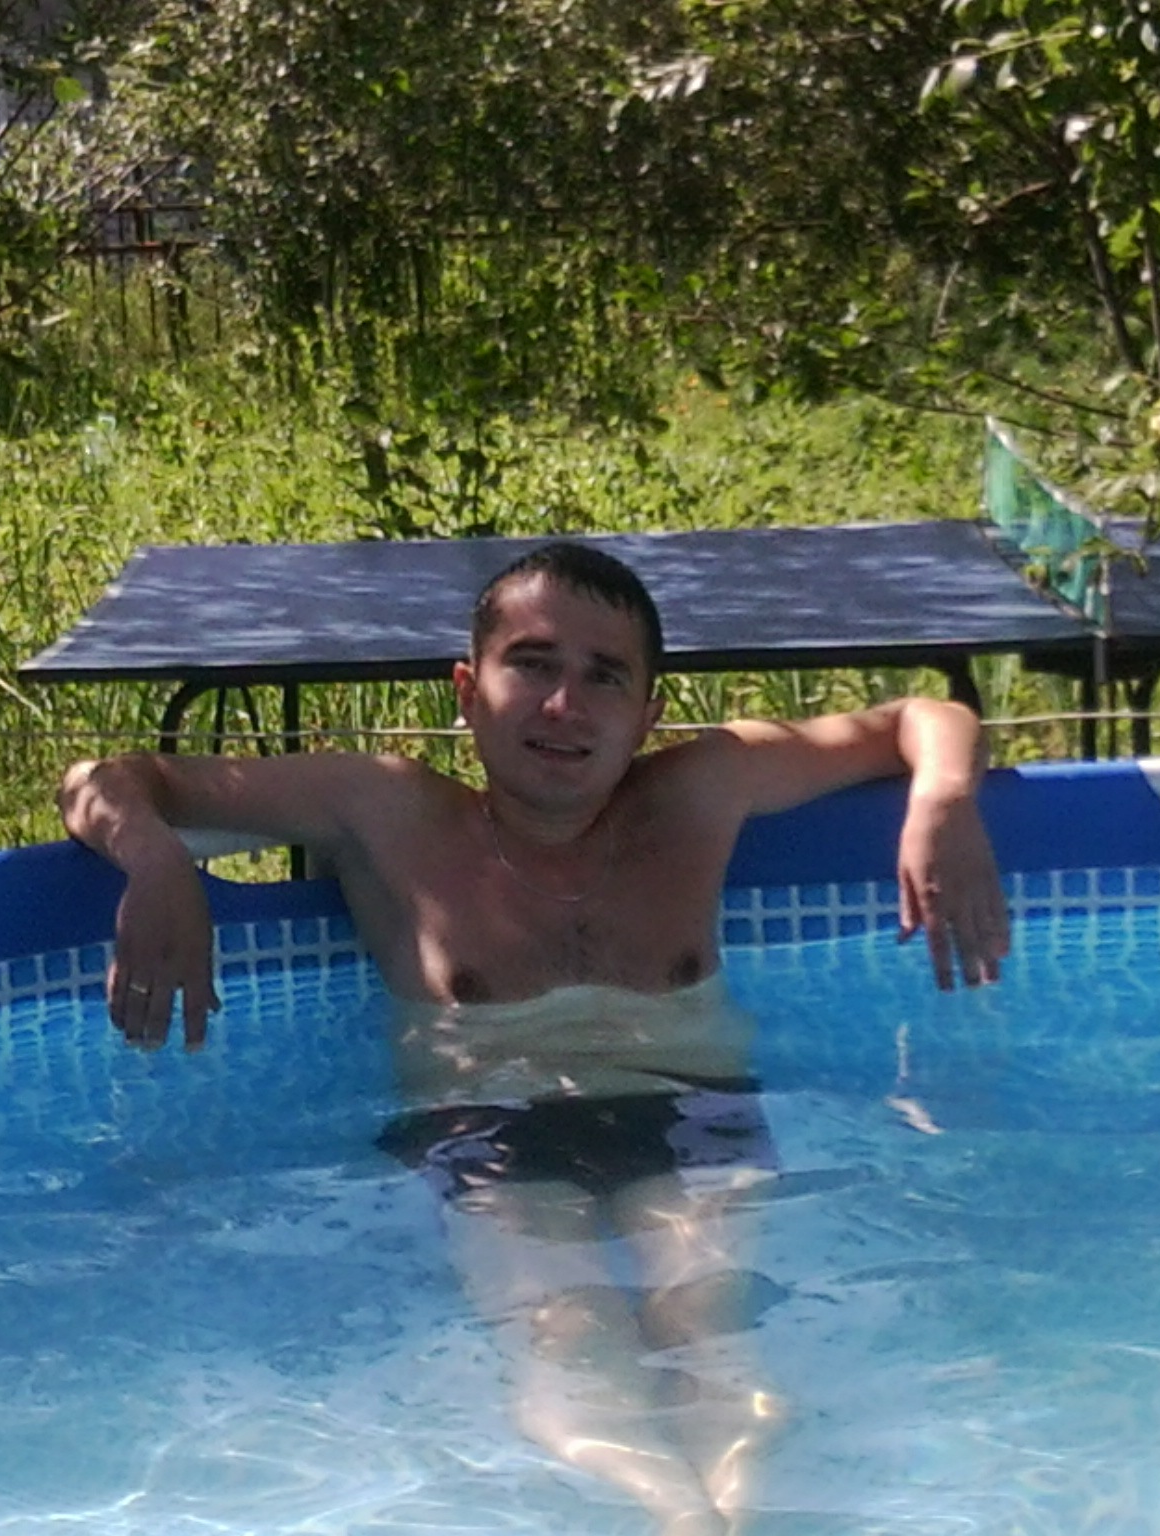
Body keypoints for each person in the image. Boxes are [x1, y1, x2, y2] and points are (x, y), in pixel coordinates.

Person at [59, 541, 1009, 1535]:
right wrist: (157, 863)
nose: (565, 705)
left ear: (648, 713)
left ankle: (727, 1515)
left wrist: (942, 801)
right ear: (468, 691)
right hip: (489, 1129)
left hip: (692, 1115)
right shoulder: (385, 809)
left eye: (605, 677)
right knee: (568, 1335)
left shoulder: (699, 791)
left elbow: (924, 717)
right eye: (533, 664)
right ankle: (677, 1516)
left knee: (708, 1332)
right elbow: (101, 779)